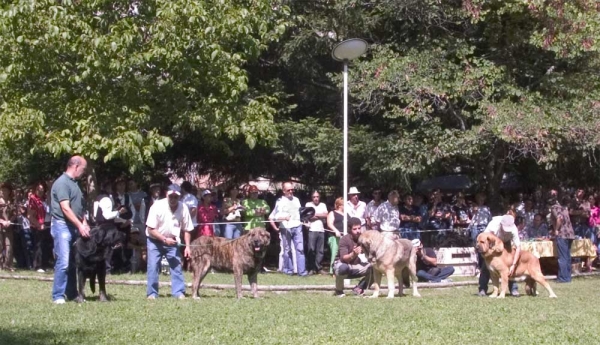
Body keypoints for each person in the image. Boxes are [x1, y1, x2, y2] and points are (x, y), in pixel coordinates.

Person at [50, 156, 90, 304]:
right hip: (62, 226)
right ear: (75, 166)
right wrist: (80, 226)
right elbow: (65, 208)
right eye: (84, 169)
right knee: (64, 261)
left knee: (74, 262)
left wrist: (84, 222)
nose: (84, 172)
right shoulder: (62, 183)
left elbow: (79, 208)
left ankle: (73, 294)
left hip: (74, 226)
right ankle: (58, 296)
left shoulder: (75, 184)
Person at [146, 184, 194, 299]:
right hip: (154, 240)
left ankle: (178, 292)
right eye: (170, 196)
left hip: (172, 241)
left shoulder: (184, 208)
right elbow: (150, 229)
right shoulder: (157, 206)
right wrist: (163, 239)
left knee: (176, 266)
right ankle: (152, 293)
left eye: (175, 197)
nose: (173, 199)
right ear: (166, 195)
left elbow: (187, 229)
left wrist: (187, 246)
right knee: (153, 266)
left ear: (180, 197)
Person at [478, 214, 521, 297]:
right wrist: (489, 252)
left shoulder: (514, 229)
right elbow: (484, 237)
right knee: (486, 267)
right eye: (505, 229)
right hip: (492, 243)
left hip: (506, 243)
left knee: (508, 265)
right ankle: (482, 289)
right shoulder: (493, 224)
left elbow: (518, 248)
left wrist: (514, 264)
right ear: (501, 224)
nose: (506, 231)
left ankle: (514, 289)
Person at [269, 182, 306, 276]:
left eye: (292, 190)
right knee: (287, 249)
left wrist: (305, 220)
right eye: (288, 190)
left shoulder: (296, 200)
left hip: (297, 226)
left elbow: (300, 213)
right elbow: (275, 217)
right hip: (285, 228)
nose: (291, 191)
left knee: (300, 249)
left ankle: (302, 271)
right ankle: (288, 270)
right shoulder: (280, 201)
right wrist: (284, 218)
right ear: (284, 191)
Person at [333, 217, 372, 297]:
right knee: (342, 268)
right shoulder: (344, 239)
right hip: (343, 264)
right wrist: (353, 254)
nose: (358, 231)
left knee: (375, 268)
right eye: (355, 229)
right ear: (349, 229)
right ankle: (339, 291)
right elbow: (344, 258)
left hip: (356, 265)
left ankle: (359, 288)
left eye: (359, 228)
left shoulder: (363, 239)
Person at [549, 190, 575, 283]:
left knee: (562, 257)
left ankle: (563, 278)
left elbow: (559, 218)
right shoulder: (564, 208)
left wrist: (556, 230)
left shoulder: (554, 207)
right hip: (570, 234)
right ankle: (567, 277)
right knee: (567, 256)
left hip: (562, 235)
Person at [305, 190, 328, 275]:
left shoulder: (323, 205)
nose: (316, 198)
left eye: (317, 197)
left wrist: (314, 215)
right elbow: (308, 216)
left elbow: (326, 215)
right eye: (314, 197)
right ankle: (311, 268)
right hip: (312, 229)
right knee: (311, 249)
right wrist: (319, 215)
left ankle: (318, 267)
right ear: (312, 198)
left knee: (320, 250)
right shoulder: (308, 204)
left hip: (321, 230)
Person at [28, 181, 48, 272]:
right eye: (38, 190)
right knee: (38, 246)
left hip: (44, 226)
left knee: (44, 246)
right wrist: (38, 225)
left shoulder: (43, 200)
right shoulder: (33, 199)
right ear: (35, 189)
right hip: (37, 226)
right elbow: (30, 216)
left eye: (42, 190)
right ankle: (37, 266)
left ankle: (44, 265)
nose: (40, 191)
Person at [0, 182, 16, 271]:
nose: (3, 192)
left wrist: (10, 221)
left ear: (9, 191)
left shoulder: (11, 202)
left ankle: (8, 265)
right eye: (2, 190)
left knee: (9, 245)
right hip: (0, 226)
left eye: (5, 190)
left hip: (9, 227)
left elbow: (15, 214)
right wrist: (2, 221)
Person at [326, 197, 344, 275]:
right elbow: (330, 224)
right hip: (334, 237)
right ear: (340, 205)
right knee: (335, 254)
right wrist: (336, 231)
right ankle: (333, 271)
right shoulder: (332, 213)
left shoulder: (346, 214)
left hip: (344, 236)